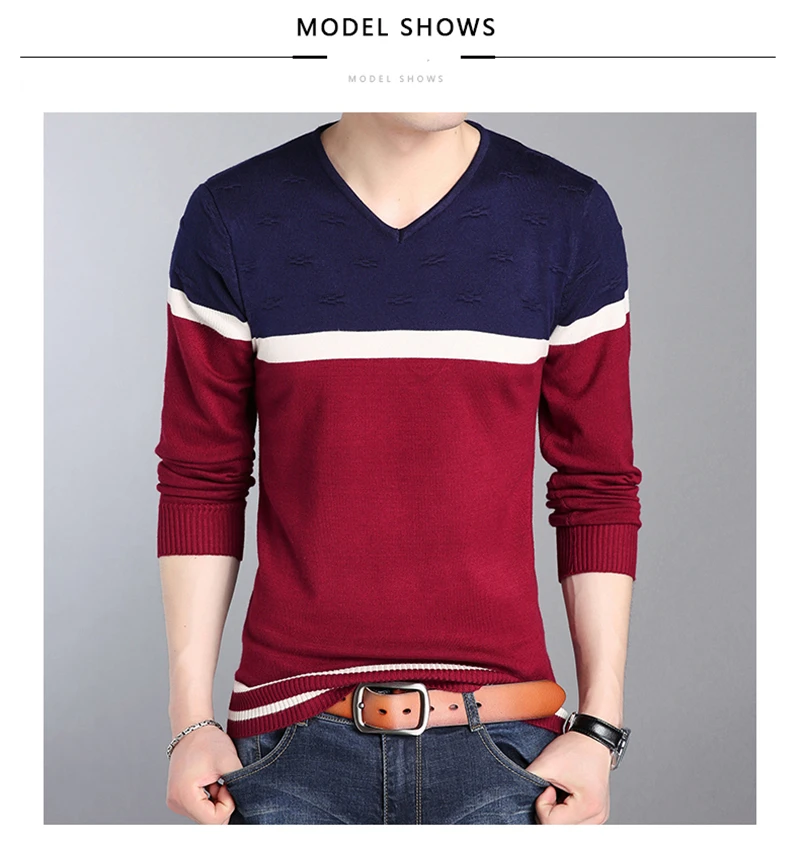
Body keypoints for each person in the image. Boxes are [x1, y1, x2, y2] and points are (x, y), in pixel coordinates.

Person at [154, 112, 642, 825]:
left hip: (509, 755)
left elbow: (596, 486)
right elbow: (202, 478)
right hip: (286, 749)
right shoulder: (234, 214)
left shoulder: (567, 214)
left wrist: (599, 728)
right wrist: (190, 722)